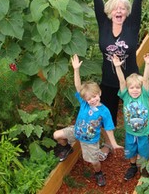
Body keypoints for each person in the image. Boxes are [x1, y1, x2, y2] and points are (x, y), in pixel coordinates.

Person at [85, 0, 149, 161]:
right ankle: (107, 144)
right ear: (109, 12)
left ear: (127, 12)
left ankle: (138, 145)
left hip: (131, 81)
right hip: (108, 81)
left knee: (135, 113)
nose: (119, 10)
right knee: (108, 113)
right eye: (115, 8)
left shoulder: (132, 24)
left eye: (122, 8)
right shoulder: (103, 23)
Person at [53, 54, 123, 187]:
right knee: (57, 135)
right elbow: (78, 86)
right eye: (89, 98)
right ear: (85, 99)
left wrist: (113, 143)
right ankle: (67, 148)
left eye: (95, 96)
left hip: (90, 140)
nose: (92, 100)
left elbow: (108, 129)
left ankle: (98, 173)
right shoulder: (85, 103)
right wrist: (76, 70)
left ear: (99, 94)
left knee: (94, 162)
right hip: (76, 131)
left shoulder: (104, 111)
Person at [112, 53, 149, 180]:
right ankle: (132, 166)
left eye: (137, 87)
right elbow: (121, 81)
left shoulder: (144, 96)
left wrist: (147, 64)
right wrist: (118, 67)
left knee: (145, 152)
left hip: (145, 132)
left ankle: (146, 167)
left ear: (142, 89)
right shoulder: (126, 96)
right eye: (132, 87)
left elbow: (146, 80)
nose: (135, 90)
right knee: (131, 150)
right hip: (131, 132)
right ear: (128, 89)